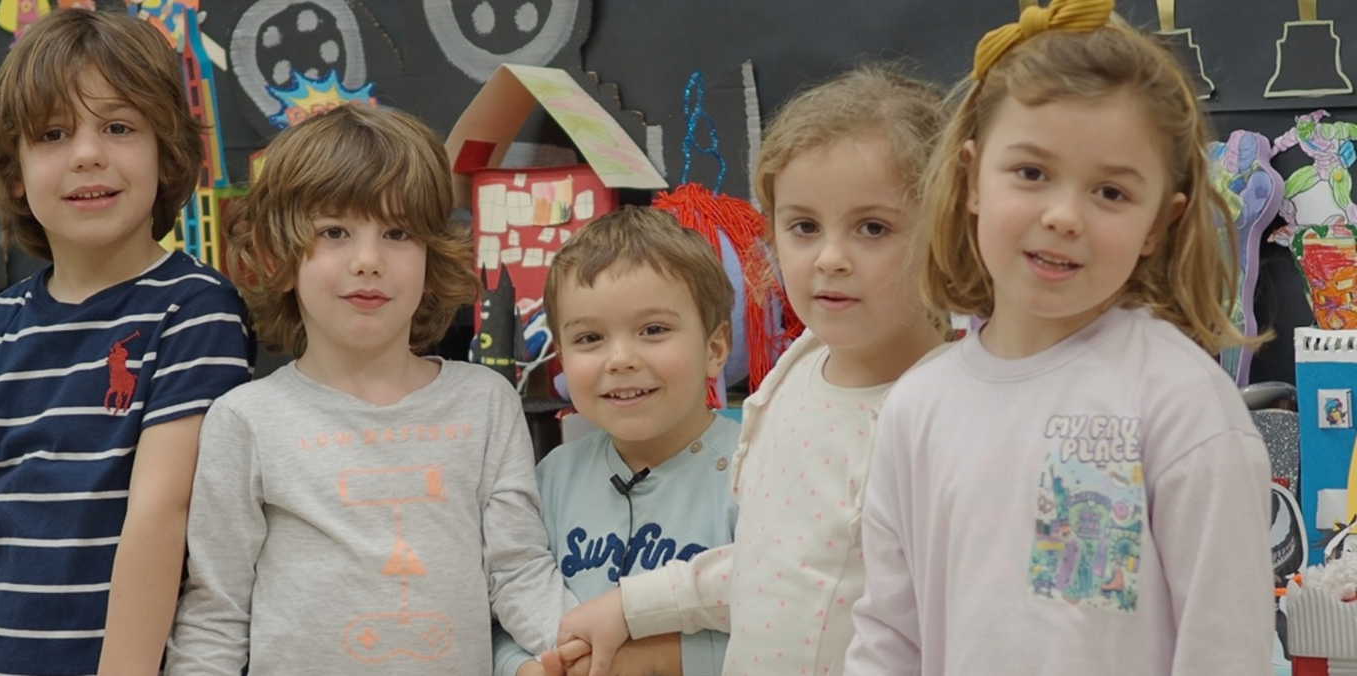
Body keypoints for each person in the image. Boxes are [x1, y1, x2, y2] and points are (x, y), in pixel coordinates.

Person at [842, 2, 1273, 675]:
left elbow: (1226, 651)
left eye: (1110, 192)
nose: (1065, 215)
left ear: (1159, 224)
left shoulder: (1183, 405)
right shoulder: (917, 406)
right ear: (972, 178)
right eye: (1032, 173)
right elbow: (888, 640)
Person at [552, 65, 950, 676]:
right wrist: (632, 607)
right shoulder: (801, 366)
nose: (830, 258)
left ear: (946, 229)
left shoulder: (950, 412)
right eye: (804, 227)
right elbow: (773, 565)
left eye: (873, 228)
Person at [165, 104, 574, 675]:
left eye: (397, 232)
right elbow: (217, 614)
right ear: (277, 254)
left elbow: (518, 571)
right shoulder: (246, 420)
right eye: (334, 232)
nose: (367, 261)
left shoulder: (485, 403)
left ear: (433, 253)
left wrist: (587, 646)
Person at [0, 9, 255, 676]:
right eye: (53, 133)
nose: (87, 154)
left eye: (118, 127)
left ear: (166, 154)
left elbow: (161, 514)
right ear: (15, 171)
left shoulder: (195, 310)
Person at [495, 206, 740, 676]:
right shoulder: (551, 478)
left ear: (714, 348)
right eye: (590, 338)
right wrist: (521, 667)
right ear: (561, 359)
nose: (620, 359)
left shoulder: (760, 469)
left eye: (653, 330)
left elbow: (799, 625)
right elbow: (506, 609)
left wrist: (655, 663)